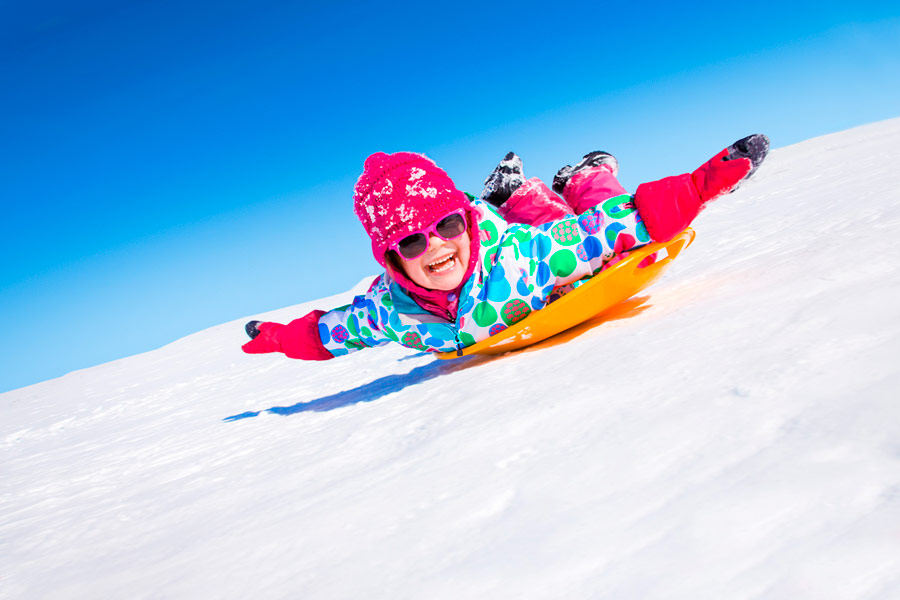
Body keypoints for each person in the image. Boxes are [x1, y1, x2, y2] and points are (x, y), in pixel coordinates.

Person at [242, 135, 769, 359]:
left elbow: (608, 228)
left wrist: (696, 189)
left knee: (578, 217)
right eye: (411, 239)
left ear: (466, 225)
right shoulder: (391, 311)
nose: (436, 246)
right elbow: (337, 330)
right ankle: (515, 189)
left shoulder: (529, 261)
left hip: (515, 239)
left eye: (447, 226)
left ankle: (581, 176)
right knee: (545, 217)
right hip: (491, 225)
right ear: (391, 259)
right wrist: (283, 337)